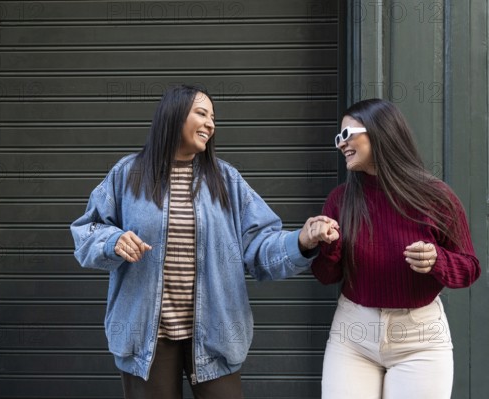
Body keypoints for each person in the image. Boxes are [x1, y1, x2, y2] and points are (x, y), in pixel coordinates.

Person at [70, 84, 338, 399]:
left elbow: (259, 248)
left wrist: (302, 241)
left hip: (215, 334)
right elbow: (86, 231)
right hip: (146, 338)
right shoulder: (129, 174)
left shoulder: (226, 180)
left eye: (213, 117)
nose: (211, 124)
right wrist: (112, 241)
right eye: (201, 113)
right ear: (173, 116)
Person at [307, 98, 481, 398]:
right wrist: (329, 247)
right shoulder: (340, 200)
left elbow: (470, 268)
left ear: (380, 133)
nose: (340, 144)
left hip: (420, 338)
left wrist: (437, 260)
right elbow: (325, 275)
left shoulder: (437, 198)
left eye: (347, 135)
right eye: (339, 138)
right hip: (353, 336)